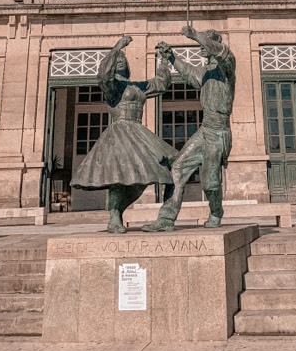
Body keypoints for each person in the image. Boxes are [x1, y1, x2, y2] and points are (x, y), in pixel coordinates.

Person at [70, 35, 176, 233]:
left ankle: (156, 216)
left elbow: (161, 84)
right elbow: (103, 76)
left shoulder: (135, 86)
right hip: (119, 132)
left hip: (138, 131)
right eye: (116, 59)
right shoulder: (112, 87)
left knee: (164, 168)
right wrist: (117, 47)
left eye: (122, 59)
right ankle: (114, 218)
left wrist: (164, 59)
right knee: (118, 177)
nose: (119, 60)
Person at [143, 25, 235, 232]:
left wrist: (196, 35)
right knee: (177, 169)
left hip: (219, 132)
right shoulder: (206, 73)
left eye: (206, 43)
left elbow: (222, 53)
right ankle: (166, 219)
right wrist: (172, 57)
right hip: (205, 129)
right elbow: (188, 72)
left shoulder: (226, 68)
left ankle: (216, 211)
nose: (201, 47)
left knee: (210, 183)